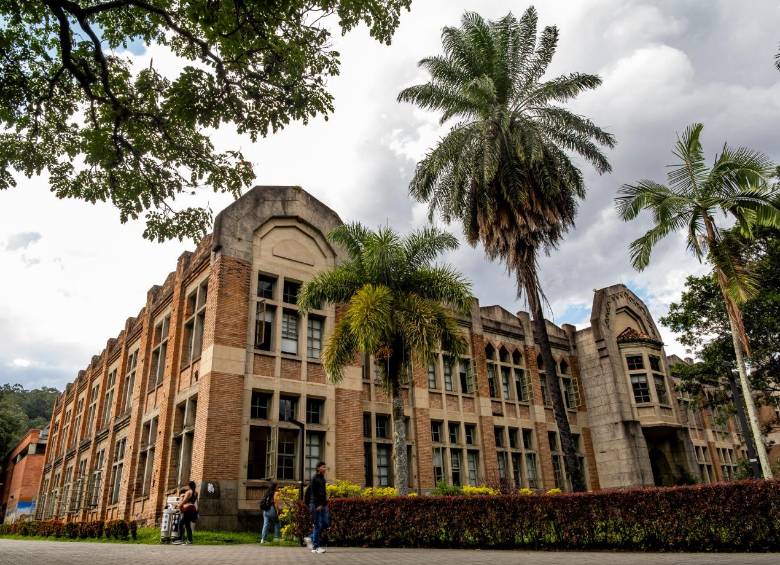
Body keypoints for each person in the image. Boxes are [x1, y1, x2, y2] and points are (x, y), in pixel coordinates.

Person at [309, 461, 329, 554]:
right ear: (318, 468)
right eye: (323, 467)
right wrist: (318, 505)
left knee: (325, 523)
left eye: (325, 467)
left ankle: (311, 538)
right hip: (317, 505)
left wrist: (324, 502)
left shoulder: (322, 478)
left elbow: (323, 492)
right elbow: (314, 493)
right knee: (317, 525)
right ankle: (315, 547)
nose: (325, 469)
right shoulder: (315, 479)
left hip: (323, 505)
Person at [175, 480, 198, 545]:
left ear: (188, 486)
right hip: (193, 509)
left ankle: (180, 539)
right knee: (187, 525)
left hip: (187, 508)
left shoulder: (188, 492)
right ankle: (190, 540)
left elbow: (185, 500)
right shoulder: (196, 492)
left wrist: (179, 505)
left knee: (181, 523)